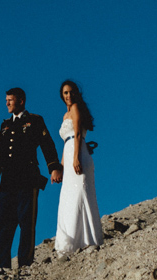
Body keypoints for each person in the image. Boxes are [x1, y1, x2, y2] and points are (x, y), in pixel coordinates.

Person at [0, 87, 62, 270]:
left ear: (21, 101)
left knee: (26, 222)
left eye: (10, 100)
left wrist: (54, 167)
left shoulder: (34, 121)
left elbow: (47, 144)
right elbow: (0, 153)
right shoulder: (5, 125)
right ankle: (1, 267)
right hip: (7, 181)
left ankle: (25, 264)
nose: (7, 104)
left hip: (27, 178)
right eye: (6, 100)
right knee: (3, 223)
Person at [53, 79, 102, 256]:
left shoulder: (75, 109)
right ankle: (71, 240)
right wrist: (60, 167)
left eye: (71, 92)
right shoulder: (65, 115)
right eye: (65, 93)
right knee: (69, 195)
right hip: (70, 151)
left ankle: (86, 239)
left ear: (76, 93)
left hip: (78, 153)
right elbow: (66, 141)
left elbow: (78, 134)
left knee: (80, 192)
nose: (68, 95)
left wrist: (76, 158)